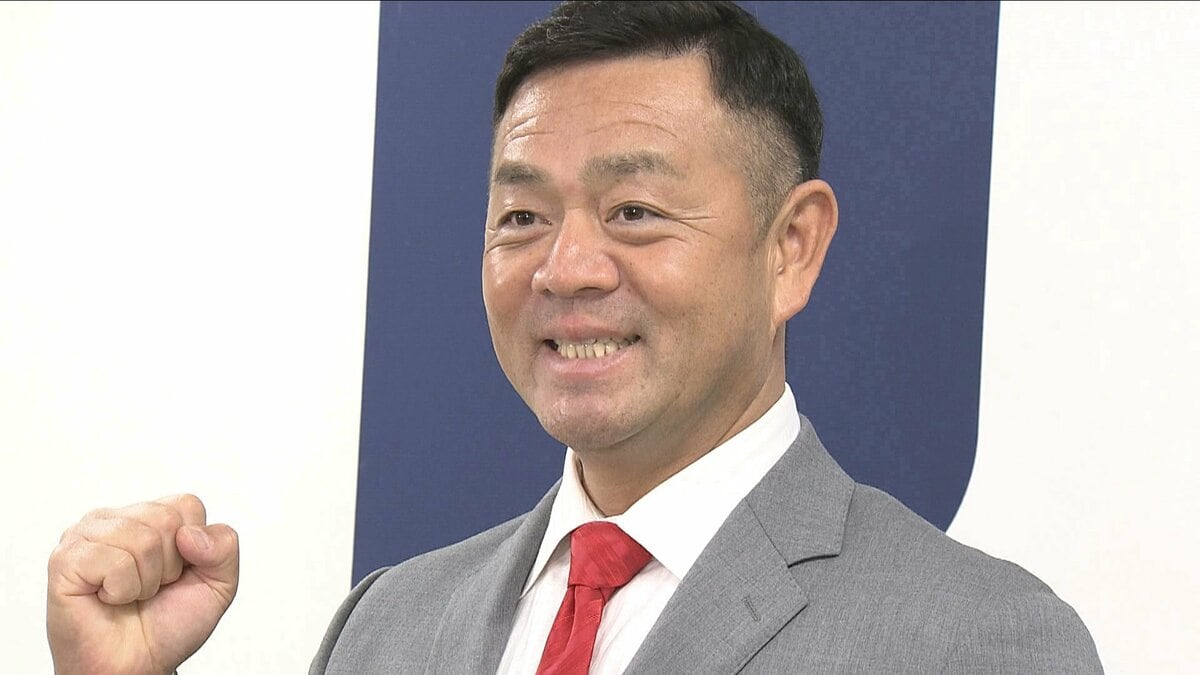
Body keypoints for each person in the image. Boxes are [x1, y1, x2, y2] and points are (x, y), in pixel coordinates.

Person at [46, 2, 1102, 673]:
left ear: (791, 248)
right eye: (522, 216)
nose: (565, 267)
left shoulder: (978, 641)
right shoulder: (387, 627)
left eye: (634, 211)